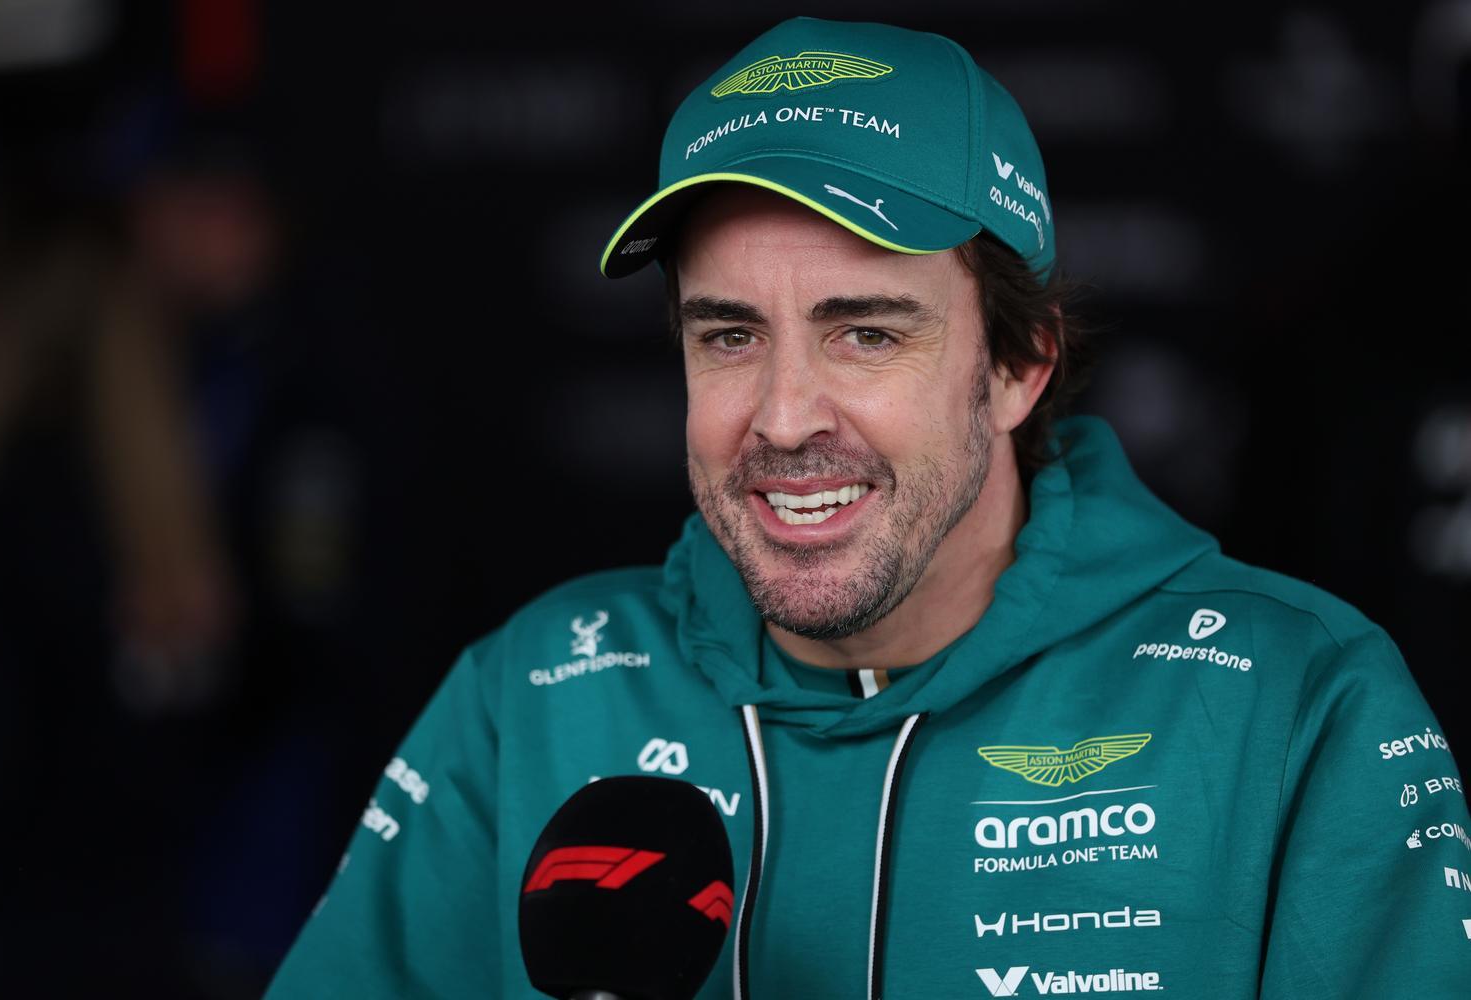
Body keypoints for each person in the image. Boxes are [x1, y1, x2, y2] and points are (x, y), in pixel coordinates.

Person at [265, 17, 1470, 999]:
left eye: (866, 333)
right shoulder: (532, 697)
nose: (785, 417)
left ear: (1019, 364)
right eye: (730, 335)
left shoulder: (1293, 706)